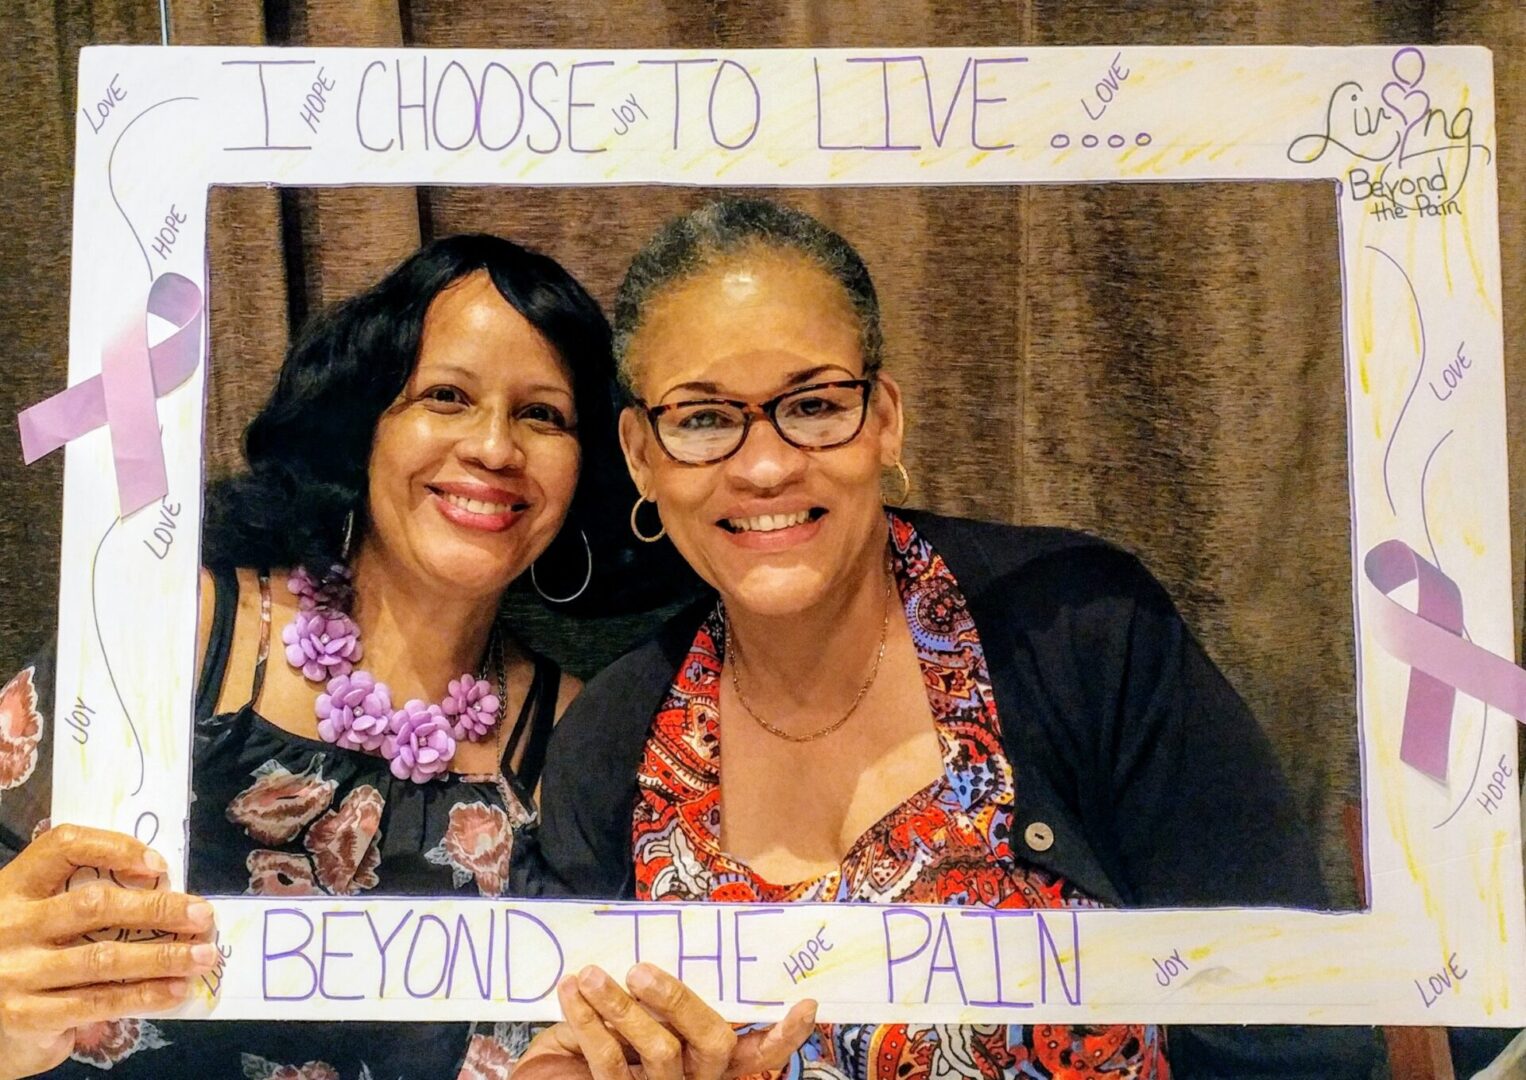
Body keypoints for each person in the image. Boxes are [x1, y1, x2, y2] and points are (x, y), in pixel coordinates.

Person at [515, 198, 1378, 1079]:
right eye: (702, 420)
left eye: (814, 405)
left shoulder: (1084, 634)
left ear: (885, 417)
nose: (765, 464)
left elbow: (1294, 1030)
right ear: (639, 454)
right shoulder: (607, 749)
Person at [0, 234, 633, 1078]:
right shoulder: (177, 630)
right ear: (362, 424)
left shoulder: (586, 738)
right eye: (446, 395)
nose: (494, 449)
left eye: (542, 415)